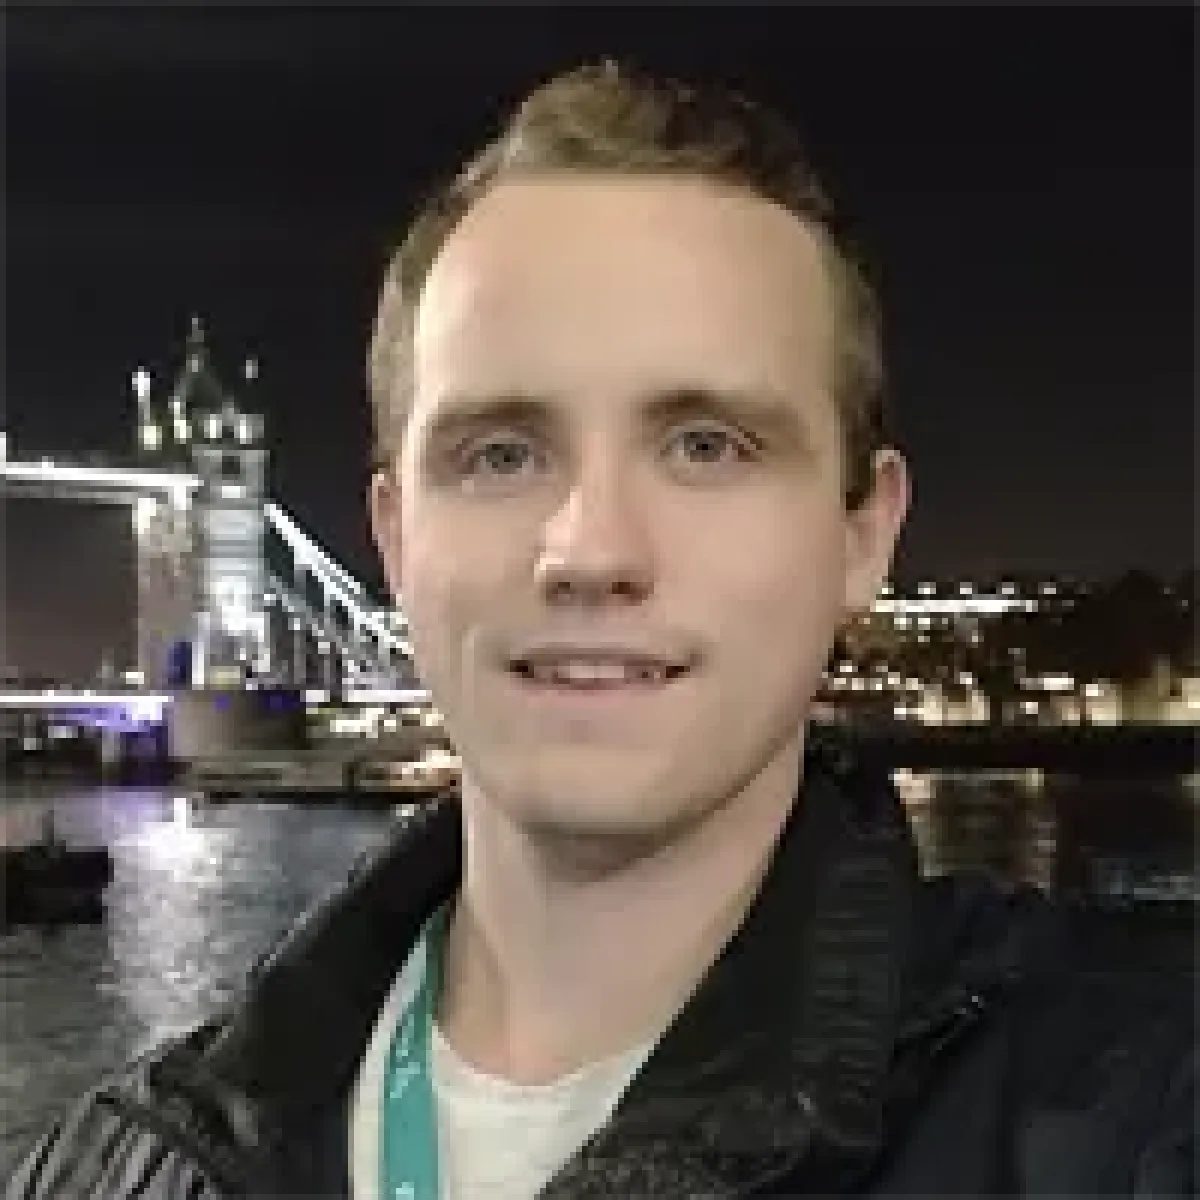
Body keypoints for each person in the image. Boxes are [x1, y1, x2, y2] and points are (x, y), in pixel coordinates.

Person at [8, 61, 1200, 1200]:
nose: (589, 550)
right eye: (500, 454)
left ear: (863, 535)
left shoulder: (1143, 1100)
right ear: (394, 539)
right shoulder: (98, 1171)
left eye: (706, 446)